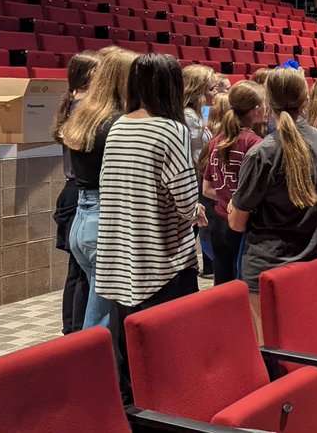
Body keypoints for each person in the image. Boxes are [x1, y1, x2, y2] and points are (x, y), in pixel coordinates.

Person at [97, 53, 207, 404]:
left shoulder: (118, 125)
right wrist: (197, 212)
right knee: (169, 363)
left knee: (130, 361)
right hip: (163, 264)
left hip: (122, 262)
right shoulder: (171, 129)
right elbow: (186, 199)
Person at [229, 68, 317, 340]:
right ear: (306, 99)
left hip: (268, 270)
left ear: (267, 103)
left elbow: (237, 223)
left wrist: (234, 206)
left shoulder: (263, 152)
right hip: (312, 261)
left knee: (269, 352)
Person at [60, 46, 137, 330]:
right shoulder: (117, 122)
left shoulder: (85, 115)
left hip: (83, 216)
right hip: (103, 221)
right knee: (102, 317)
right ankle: (93, 370)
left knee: (95, 300)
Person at [51, 51, 98, 335]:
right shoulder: (82, 109)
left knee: (77, 269)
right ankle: (75, 330)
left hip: (73, 190)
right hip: (77, 190)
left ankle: (73, 328)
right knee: (79, 271)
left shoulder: (74, 104)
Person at [203, 80, 265, 285]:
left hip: (219, 221)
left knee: (222, 283)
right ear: (256, 110)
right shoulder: (255, 144)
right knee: (242, 284)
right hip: (243, 225)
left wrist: (226, 197)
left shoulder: (215, 141)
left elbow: (207, 189)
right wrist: (236, 199)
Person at [182, 64, 218, 278]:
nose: (216, 93)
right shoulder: (189, 117)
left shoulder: (197, 114)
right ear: (197, 90)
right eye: (211, 89)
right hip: (195, 183)